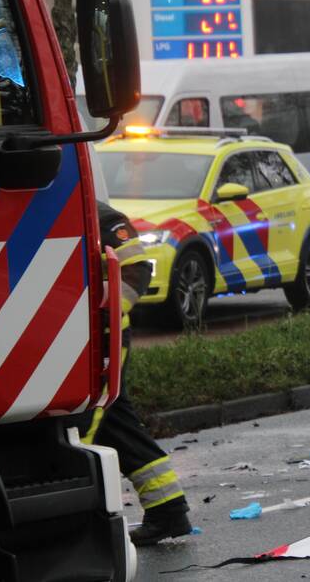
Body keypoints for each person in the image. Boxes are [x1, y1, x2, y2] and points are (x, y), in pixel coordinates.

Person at [78, 202, 193, 546]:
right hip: (79, 339)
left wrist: (107, 314)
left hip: (104, 337)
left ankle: (79, 515)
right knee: (115, 420)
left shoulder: (103, 218)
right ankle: (167, 508)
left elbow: (136, 268)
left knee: (89, 422)